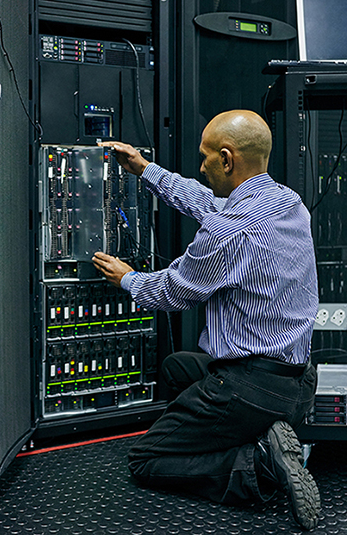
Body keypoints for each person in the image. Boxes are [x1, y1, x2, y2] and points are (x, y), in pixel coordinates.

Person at [91, 110, 321, 530]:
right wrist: (145, 169)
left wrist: (127, 278)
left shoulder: (227, 233)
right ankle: (265, 433)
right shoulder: (287, 202)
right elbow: (209, 204)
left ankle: (258, 465)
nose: (201, 166)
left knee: (146, 460)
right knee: (177, 366)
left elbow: (173, 292)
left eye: (205, 157)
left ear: (227, 159)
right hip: (300, 383)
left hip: (251, 388)